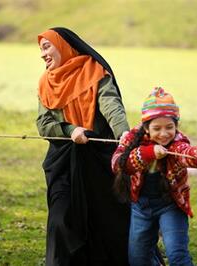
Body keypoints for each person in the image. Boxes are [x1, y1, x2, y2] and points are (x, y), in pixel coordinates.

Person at [36, 27, 131, 266]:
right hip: (64, 162)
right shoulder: (45, 83)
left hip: (98, 160)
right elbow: (44, 123)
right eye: (40, 49)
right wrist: (70, 130)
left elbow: (111, 106)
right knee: (61, 219)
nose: (42, 54)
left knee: (106, 220)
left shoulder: (95, 71)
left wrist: (124, 135)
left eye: (47, 47)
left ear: (64, 46)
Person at [112, 87, 197, 265]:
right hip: (141, 207)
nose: (164, 134)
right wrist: (149, 152)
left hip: (170, 205)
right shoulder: (133, 139)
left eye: (169, 127)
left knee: (177, 255)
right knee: (138, 259)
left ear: (176, 126)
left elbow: (188, 153)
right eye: (157, 128)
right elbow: (118, 164)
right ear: (146, 128)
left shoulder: (177, 143)